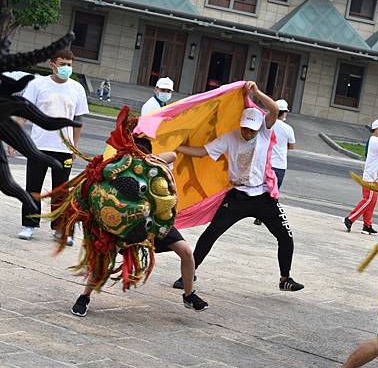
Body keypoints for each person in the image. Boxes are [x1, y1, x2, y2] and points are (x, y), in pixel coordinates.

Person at [172, 81, 304, 292]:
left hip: (263, 197)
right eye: (245, 129)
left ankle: (285, 278)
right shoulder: (230, 138)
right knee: (211, 234)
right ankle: (188, 275)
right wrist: (177, 147)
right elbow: (202, 152)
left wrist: (257, 92)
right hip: (237, 198)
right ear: (240, 124)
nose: (248, 133)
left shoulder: (264, 132)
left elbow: (275, 110)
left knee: (285, 237)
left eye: (252, 130)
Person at [71, 139, 208, 317]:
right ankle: (84, 297)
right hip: (124, 225)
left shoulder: (155, 167)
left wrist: (149, 160)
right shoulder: (116, 170)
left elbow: (173, 154)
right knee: (103, 260)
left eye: (139, 155)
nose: (135, 159)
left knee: (186, 252)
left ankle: (189, 295)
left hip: (155, 222)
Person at [17, 49, 88, 244]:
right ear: (52, 64)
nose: (66, 68)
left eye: (69, 64)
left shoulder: (77, 88)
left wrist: (75, 147)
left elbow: (78, 119)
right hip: (38, 145)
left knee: (61, 191)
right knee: (33, 186)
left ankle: (59, 228)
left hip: (64, 148)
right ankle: (29, 225)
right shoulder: (38, 84)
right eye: (63, 64)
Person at [254, 98, 295, 226]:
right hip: (280, 165)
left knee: (262, 189)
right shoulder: (288, 128)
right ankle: (267, 216)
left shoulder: (266, 123)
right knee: (274, 191)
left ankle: (258, 214)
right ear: (284, 113)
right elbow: (292, 146)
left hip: (266, 163)